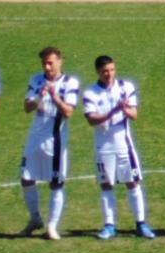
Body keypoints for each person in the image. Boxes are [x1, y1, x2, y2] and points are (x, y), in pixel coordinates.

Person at [81, 55, 154, 240]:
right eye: (105, 71)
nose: (109, 74)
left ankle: (141, 223)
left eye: (112, 70)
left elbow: (134, 114)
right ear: (98, 71)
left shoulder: (125, 87)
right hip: (103, 144)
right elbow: (91, 119)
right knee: (106, 185)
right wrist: (114, 111)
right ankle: (109, 225)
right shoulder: (90, 93)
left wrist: (123, 109)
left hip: (123, 142)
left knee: (133, 182)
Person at [20, 45, 79, 240]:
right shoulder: (36, 80)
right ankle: (35, 218)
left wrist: (55, 97)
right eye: (44, 63)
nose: (47, 67)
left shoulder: (70, 82)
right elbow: (27, 108)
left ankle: (52, 226)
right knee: (26, 178)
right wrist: (40, 96)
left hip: (56, 140)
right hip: (35, 137)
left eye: (50, 63)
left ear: (60, 61)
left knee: (56, 182)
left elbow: (69, 112)